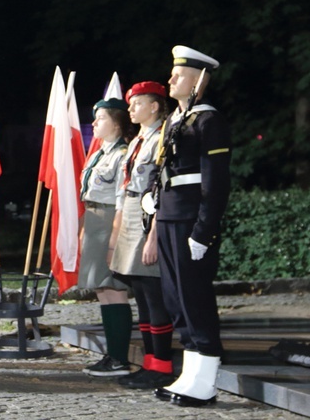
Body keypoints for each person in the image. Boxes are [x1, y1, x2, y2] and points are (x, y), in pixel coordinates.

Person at [152, 46, 231, 407]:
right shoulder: (174, 120)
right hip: (168, 216)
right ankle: (191, 374)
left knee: (195, 297)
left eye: (178, 75)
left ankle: (207, 380)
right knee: (175, 298)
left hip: (189, 221)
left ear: (198, 79)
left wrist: (204, 230)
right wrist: (152, 200)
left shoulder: (208, 121)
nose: (171, 79)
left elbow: (215, 183)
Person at [108, 81, 175, 390]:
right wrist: (118, 228)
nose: (131, 108)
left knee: (153, 291)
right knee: (142, 295)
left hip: (151, 217)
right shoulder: (137, 141)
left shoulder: (164, 137)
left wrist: (153, 236)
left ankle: (162, 365)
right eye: (131, 104)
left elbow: (164, 188)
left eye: (137, 103)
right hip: (134, 212)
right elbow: (125, 188)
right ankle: (150, 362)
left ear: (155, 106)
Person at [77, 97, 137, 377]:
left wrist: (114, 237)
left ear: (116, 122)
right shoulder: (100, 152)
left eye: (100, 118)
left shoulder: (122, 154)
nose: (94, 123)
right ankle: (112, 354)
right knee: (102, 290)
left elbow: (121, 197)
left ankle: (119, 358)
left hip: (109, 222)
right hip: (94, 221)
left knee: (113, 289)